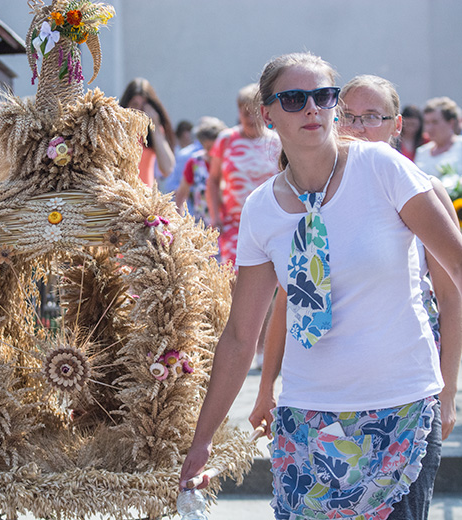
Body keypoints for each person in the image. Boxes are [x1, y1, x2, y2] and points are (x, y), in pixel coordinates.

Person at [180, 53, 462, 520]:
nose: (312, 109)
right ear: (265, 114)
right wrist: (203, 439)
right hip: (307, 420)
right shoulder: (261, 209)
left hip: (401, 410)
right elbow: (239, 335)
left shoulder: (383, 169)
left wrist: (449, 389)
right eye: (294, 99)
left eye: (324, 96)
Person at [250, 73, 461, 472]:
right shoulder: (308, 195)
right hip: (325, 391)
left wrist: (448, 391)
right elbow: (291, 301)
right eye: (349, 116)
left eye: (371, 117)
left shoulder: (421, 188)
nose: (357, 128)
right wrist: (266, 386)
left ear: (396, 125)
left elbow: (450, 297)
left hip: (402, 370)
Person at [206, 82, 280, 266]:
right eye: (244, 112)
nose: (249, 118)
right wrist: (215, 216)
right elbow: (213, 180)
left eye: (254, 112)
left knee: (270, 278)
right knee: (233, 276)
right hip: (234, 224)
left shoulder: (277, 142)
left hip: (269, 223)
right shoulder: (226, 139)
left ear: (264, 112)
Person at [119, 78, 176, 187]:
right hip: (121, 196)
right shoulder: (116, 131)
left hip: (146, 197)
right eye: (135, 104)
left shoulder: (154, 132)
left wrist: (155, 125)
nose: (139, 110)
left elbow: (167, 169)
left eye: (144, 105)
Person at [174, 116, 228, 224]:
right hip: (202, 227)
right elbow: (181, 194)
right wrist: (179, 222)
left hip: (226, 225)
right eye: (208, 148)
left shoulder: (228, 162)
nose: (212, 153)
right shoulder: (195, 162)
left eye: (215, 149)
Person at [415, 96, 462, 183]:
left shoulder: (460, 147)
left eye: (435, 122)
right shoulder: (422, 152)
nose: (429, 128)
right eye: (427, 122)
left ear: (451, 123)